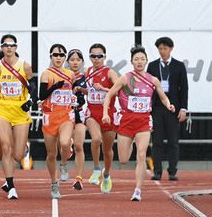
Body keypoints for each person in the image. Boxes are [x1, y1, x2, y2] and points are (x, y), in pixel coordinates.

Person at [103, 46, 176, 201]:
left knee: (141, 155)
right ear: (132, 62)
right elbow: (109, 94)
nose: (139, 61)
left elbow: (163, 96)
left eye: (142, 59)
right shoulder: (125, 78)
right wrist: (105, 114)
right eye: (136, 59)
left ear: (146, 61)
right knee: (123, 160)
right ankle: (129, 146)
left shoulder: (153, 80)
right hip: (127, 120)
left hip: (143, 121)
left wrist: (169, 104)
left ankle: (137, 190)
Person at [0, 34, 34, 200]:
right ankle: (11, 186)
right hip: (4, 109)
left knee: (18, 155)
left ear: (16, 47)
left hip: (21, 110)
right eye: (5, 45)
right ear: (2, 47)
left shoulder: (25, 66)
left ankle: (22, 149)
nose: (8, 48)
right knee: (6, 147)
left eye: (12, 45)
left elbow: (33, 89)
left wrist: (30, 102)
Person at [79, 43, 119, 194]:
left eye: (99, 56)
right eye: (93, 56)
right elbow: (87, 91)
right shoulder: (87, 71)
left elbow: (120, 90)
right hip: (92, 112)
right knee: (95, 139)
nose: (96, 59)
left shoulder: (110, 73)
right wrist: (80, 89)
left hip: (107, 113)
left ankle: (106, 175)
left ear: (104, 57)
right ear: (89, 57)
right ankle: (96, 168)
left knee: (107, 150)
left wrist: (103, 89)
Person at [40, 44, 77, 200]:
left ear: (64, 58)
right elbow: (42, 95)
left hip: (66, 115)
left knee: (64, 142)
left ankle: (63, 165)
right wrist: (54, 87)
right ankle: (54, 183)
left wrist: (76, 99)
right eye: (55, 55)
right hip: (50, 116)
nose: (58, 58)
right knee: (50, 154)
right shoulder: (46, 74)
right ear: (51, 56)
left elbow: (72, 92)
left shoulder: (70, 74)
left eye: (62, 55)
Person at [148, 37, 187, 181]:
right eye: (160, 49)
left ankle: (172, 171)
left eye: (165, 48)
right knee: (156, 140)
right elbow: (149, 88)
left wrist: (183, 108)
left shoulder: (179, 66)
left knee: (173, 141)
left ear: (171, 49)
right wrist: (149, 109)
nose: (162, 51)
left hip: (173, 107)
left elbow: (184, 89)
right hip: (157, 107)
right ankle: (157, 171)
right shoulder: (152, 66)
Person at [62, 49, 87, 191]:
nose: (75, 62)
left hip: (80, 114)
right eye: (72, 60)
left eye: (78, 59)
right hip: (65, 114)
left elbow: (93, 92)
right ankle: (64, 165)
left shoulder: (86, 76)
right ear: (68, 62)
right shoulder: (63, 76)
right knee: (63, 144)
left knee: (79, 145)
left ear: (82, 62)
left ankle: (78, 178)